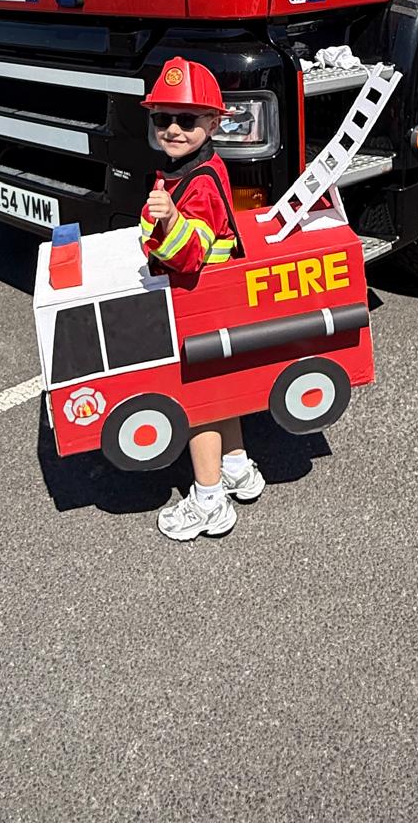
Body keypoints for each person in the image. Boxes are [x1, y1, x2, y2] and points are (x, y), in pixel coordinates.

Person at [139, 57, 265, 541]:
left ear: (213, 122)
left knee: (201, 403)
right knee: (222, 390)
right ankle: (235, 467)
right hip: (213, 304)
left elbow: (190, 255)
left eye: (187, 119)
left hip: (201, 301)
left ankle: (210, 499)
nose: (172, 129)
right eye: (161, 118)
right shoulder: (188, 168)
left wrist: (168, 221)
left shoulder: (199, 183)